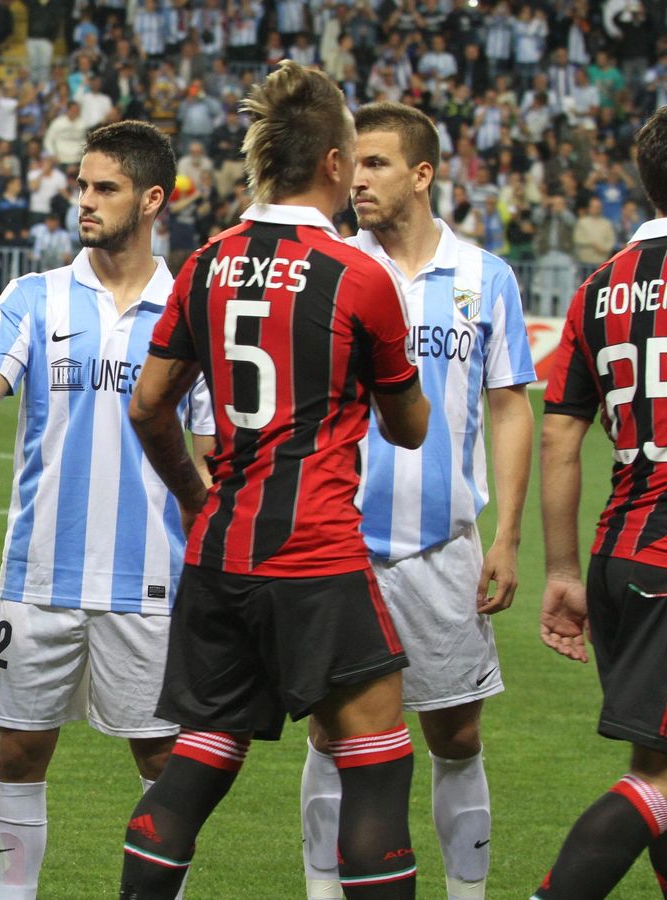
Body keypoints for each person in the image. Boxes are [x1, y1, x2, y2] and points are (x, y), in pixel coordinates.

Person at [123, 61, 432, 900]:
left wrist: (195, 494)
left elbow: (149, 407)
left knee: (197, 762)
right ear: (334, 163)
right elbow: (411, 428)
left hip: (221, 552)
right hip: (316, 556)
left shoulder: (206, 263)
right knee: (376, 767)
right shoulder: (356, 274)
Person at [0, 120, 215, 900]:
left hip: (153, 580)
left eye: (105, 188)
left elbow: (210, 452)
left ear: (153, 198)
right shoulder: (34, 296)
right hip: (40, 574)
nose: (86, 202)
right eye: (82, 186)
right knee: (18, 754)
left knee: (164, 762)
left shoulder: (191, 304)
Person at [298, 102, 536, 900]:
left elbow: (509, 405)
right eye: (352, 163)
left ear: (423, 174)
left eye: (376, 164)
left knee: (458, 734)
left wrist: (505, 537)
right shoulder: (328, 266)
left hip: (443, 546)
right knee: (333, 735)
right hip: (337, 545)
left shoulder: (485, 277)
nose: (355, 178)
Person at [534, 104, 667, 899]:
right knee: (658, 783)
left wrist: (561, 569)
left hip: (618, 553)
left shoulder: (596, 290)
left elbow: (560, 441)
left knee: (655, 762)